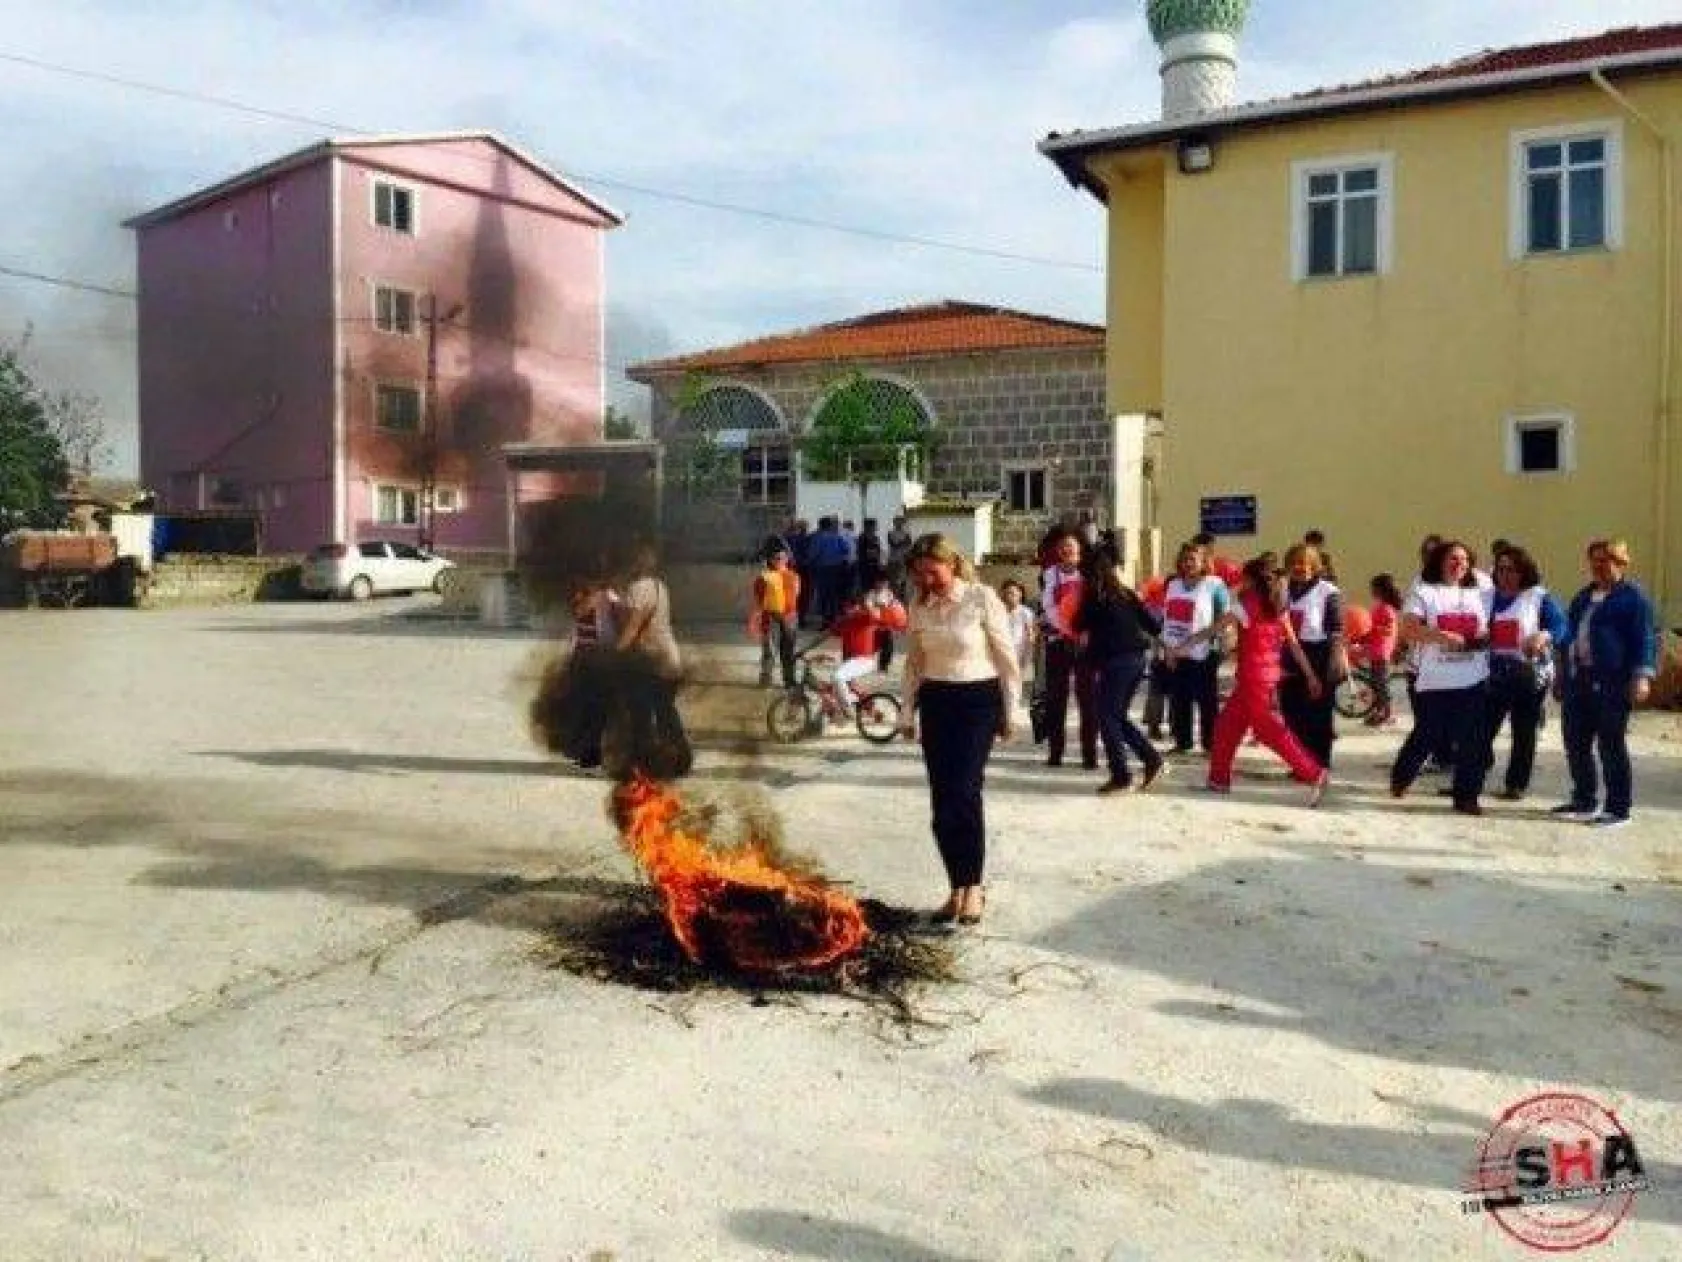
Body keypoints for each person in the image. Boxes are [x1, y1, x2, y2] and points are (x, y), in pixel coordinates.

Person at [899, 533, 1019, 928]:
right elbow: (913, 664)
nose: (924, 579)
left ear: (950, 564)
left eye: (930, 571)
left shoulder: (982, 598)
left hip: (977, 702)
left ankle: (974, 887)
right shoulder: (918, 606)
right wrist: (906, 712)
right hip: (937, 701)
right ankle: (955, 886)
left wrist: (1010, 711)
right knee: (942, 801)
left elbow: (1006, 659)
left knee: (965, 791)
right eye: (918, 573)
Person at [1172, 554, 1328, 804]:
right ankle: (1218, 780)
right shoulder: (1278, 606)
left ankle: (1315, 773)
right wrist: (1310, 674)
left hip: (1254, 679)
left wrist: (1183, 646)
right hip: (1262, 677)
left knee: (1270, 732)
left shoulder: (1247, 606)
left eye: (1243, 578)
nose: (1240, 582)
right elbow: (1295, 645)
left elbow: (1213, 629)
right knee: (1226, 727)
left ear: (1251, 580)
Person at [1555, 539, 1660, 828]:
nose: (1599, 566)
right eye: (1595, 560)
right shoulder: (1583, 598)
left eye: (1607, 560)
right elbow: (1568, 639)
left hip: (1612, 681)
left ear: (1622, 563)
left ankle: (1618, 808)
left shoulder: (1634, 598)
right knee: (1575, 741)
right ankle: (1584, 799)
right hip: (1580, 680)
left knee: (1610, 744)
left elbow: (1646, 638)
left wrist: (1642, 676)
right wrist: (1562, 674)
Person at [1390, 540, 1491, 814]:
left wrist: (1483, 639)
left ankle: (1466, 796)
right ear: (1440, 562)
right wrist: (1439, 635)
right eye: (1453, 558)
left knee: (1474, 741)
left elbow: (1489, 627)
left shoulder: (1479, 593)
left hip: (1473, 678)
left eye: (1464, 560)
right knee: (1428, 734)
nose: (1459, 564)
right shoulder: (1424, 592)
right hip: (1435, 679)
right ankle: (1401, 776)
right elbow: (1409, 629)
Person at [1076, 543, 1167, 796]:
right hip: (1136, 659)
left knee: (1107, 718)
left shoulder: (1094, 596)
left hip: (1116, 663)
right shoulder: (1125, 593)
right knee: (1116, 717)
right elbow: (1152, 624)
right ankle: (1151, 760)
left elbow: (1077, 623)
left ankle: (1121, 775)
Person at [1481, 545, 1567, 801]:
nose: (1506, 574)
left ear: (1524, 571)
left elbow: (1561, 626)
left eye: (1512, 570)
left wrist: (1545, 634)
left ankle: (1516, 784)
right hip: (1491, 672)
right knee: (1479, 730)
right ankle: (1471, 776)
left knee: (1524, 731)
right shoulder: (1487, 596)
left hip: (1526, 674)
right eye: (1501, 569)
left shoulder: (1538, 597)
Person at [612, 543, 691, 780]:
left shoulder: (639, 589)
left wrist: (613, 654)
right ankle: (680, 761)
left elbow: (633, 627)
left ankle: (643, 764)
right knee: (666, 711)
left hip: (652, 661)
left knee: (641, 713)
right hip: (669, 657)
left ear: (636, 564)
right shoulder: (660, 586)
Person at [1279, 543, 1347, 768]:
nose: (1299, 567)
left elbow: (1336, 629)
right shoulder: (1283, 590)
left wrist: (1337, 659)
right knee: (1290, 711)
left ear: (1315, 566)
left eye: (1305, 563)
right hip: (1290, 655)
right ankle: (1300, 762)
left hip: (1318, 654)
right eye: (1295, 563)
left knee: (1317, 714)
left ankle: (1319, 763)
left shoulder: (1328, 591)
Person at [1157, 542, 1229, 756]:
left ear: (1203, 561)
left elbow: (1222, 617)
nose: (1188, 563)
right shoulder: (1173, 584)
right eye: (1185, 559)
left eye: (1193, 559)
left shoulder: (1214, 584)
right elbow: (1167, 618)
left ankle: (1211, 743)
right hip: (1176, 650)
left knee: (1206, 700)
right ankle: (1183, 741)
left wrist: (1218, 644)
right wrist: (1167, 649)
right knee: (1180, 698)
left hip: (1204, 651)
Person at [1039, 532, 1098, 769]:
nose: (1066, 549)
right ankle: (1055, 753)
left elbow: (1096, 605)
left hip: (1085, 644)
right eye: (1062, 546)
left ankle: (1090, 755)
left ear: (1079, 550)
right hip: (1059, 642)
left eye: (1071, 546)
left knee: (1088, 701)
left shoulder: (1090, 573)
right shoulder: (1049, 574)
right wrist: (1066, 629)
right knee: (1056, 700)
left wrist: (1084, 631)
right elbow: (1048, 605)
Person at [825, 596, 887, 721]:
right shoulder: (845, 621)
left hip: (863, 660)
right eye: (847, 608)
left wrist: (869, 604)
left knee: (838, 678)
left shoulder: (864, 618)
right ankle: (873, 711)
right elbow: (829, 632)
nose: (849, 611)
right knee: (847, 687)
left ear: (859, 607)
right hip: (850, 661)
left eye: (852, 607)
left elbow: (875, 617)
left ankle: (847, 709)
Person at [752, 545, 801, 689]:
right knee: (769, 651)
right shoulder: (763, 578)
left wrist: (787, 615)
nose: (780, 560)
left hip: (789, 617)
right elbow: (760, 600)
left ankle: (789, 681)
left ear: (787, 559)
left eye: (783, 557)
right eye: (777, 558)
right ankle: (766, 681)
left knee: (789, 651)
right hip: (771, 618)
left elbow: (796, 595)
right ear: (771, 560)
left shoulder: (794, 576)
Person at [1364, 574, 1404, 726]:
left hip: (1382, 652)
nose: (1371, 591)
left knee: (1381, 685)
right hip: (1375, 651)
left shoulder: (1386, 609)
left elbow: (1388, 630)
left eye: (1373, 588)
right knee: (1375, 684)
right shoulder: (1380, 607)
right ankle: (1378, 712)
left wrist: (1371, 627)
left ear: (1380, 590)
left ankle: (1388, 714)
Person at [999, 579, 1036, 707]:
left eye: (1013, 593)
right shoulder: (999, 610)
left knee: (1014, 685)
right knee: (1002, 684)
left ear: (1020, 594)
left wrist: (1027, 656)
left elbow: (1031, 635)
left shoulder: (1025, 612)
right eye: (1007, 593)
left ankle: (1012, 713)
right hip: (1001, 653)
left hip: (1019, 653)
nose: (1010, 596)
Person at [886, 515, 914, 597]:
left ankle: (902, 596)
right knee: (893, 580)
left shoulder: (907, 533)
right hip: (893, 560)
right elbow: (892, 543)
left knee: (903, 580)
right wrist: (902, 542)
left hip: (903, 560)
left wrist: (902, 543)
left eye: (901, 522)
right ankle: (893, 595)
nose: (899, 523)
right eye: (897, 522)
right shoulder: (890, 533)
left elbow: (909, 543)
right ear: (894, 523)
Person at [857, 518, 886, 591]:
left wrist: (880, 562)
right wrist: (874, 553)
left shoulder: (875, 538)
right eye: (873, 526)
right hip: (865, 566)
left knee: (876, 587)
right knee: (867, 588)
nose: (875, 528)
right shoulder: (862, 538)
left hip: (875, 566)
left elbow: (879, 551)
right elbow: (864, 552)